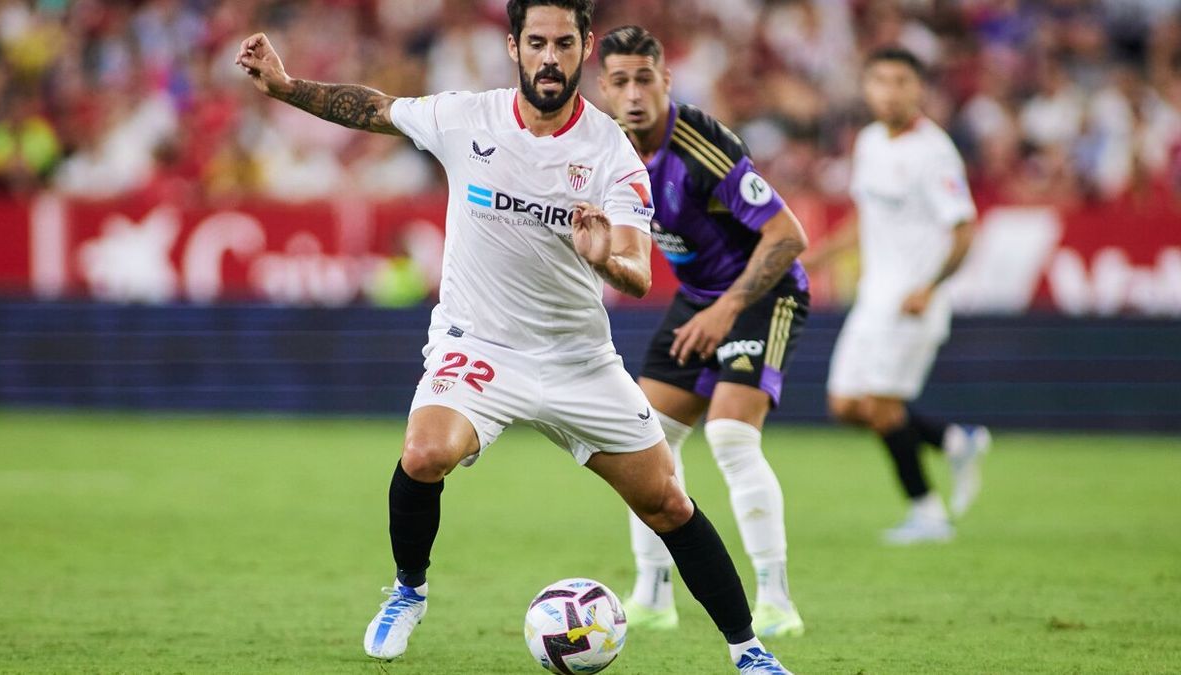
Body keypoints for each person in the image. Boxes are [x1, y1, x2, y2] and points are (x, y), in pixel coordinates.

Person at [235, 2, 793, 672]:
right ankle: (408, 589)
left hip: (578, 362)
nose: (550, 58)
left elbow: (639, 271)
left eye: (563, 43)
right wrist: (287, 87)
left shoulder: (611, 151)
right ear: (514, 47)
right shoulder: (467, 117)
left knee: (667, 500)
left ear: (585, 47)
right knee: (423, 452)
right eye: (537, 43)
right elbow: (375, 107)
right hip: (480, 346)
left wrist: (603, 256)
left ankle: (748, 649)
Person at [596, 26, 809, 637]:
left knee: (731, 438)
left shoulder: (700, 145)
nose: (634, 93)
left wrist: (723, 310)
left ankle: (776, 601)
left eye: (644, 79)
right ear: (604, 89)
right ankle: (653, 596)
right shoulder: (606, 147)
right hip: (698, 299)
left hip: (764, 293)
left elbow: (789, 234)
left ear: (666, 80)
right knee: (641, 439)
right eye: (619, 81)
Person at [802, 46, 991, 546]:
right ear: (867, 87)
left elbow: (964, 229)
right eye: (880, 80)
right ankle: (954, 439)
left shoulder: (935, 152)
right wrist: (814, 258)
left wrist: (929, 287)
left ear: (918, 88)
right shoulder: (868, 142)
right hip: (873, 297)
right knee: (845, 405)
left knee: (884, 410)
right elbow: (865, 218)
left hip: (912, 300)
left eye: (901, 81)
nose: (890, 90)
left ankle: (927, 513)